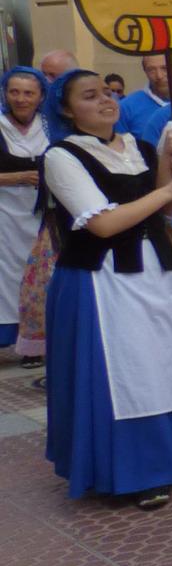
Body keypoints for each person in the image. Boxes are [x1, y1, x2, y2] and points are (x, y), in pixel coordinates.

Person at [40, 68, 172, 508]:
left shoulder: (140, 146)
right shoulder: (61, 156)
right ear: (67, 109)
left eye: (110, 93)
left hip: (159, 272)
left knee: (168, 364)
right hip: (103, 280)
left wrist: (170, 159)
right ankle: (135, 470)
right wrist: (166, 187)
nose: (107, 101)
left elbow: (165, 210)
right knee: (129, 371)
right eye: (91, 96)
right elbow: (103, 222)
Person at [16, 50, 77, 371]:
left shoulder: (57, 124)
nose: (49, 83)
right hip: (23, 216)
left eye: (52, 77)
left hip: (61, 217)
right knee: (36, 282)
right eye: (46, 75)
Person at [0, 67, 49, 353]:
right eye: (14, 92)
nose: (21, 99)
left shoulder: (51, 126)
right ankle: (11, 333)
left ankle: (38, 339)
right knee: (8, 274)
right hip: (5, 212)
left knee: (41, 273)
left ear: (41, 96)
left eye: (29, 93)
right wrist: (16, 178)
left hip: (43, 212)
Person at [118, 54, 172, 147]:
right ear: (145, 72)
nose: (159, 75)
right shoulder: (125, 107)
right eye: (151, 70)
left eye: (164, 68)